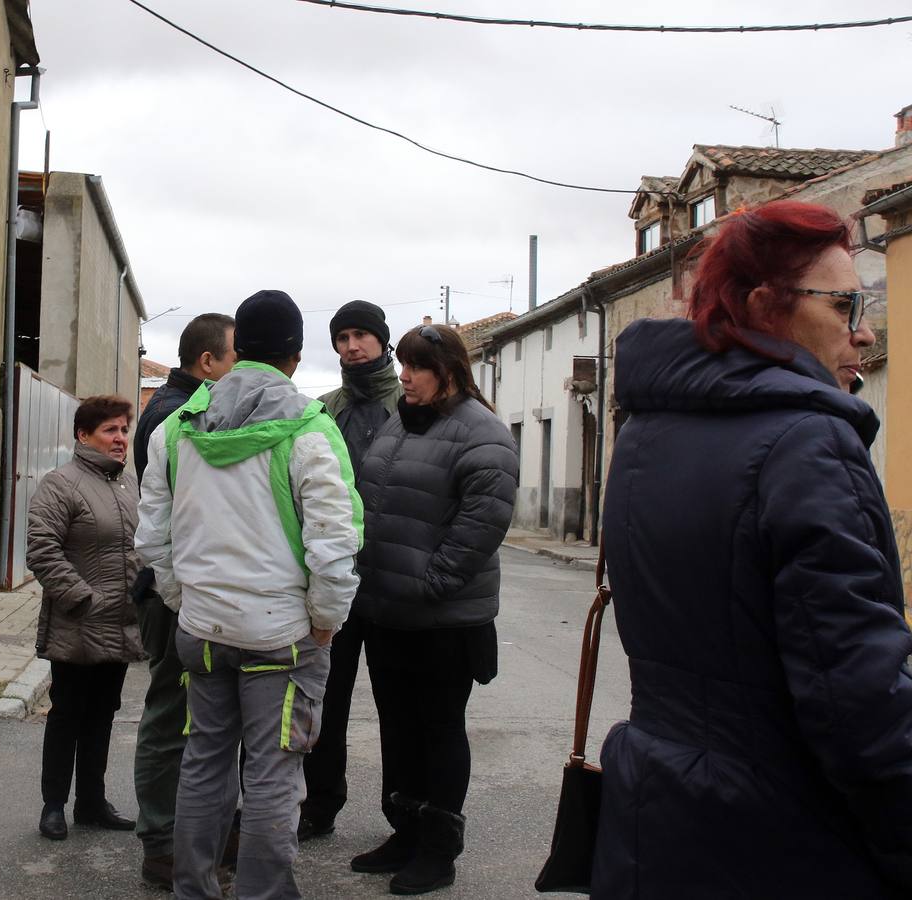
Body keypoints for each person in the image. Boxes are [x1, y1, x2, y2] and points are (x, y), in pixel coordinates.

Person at [592, 200, 912, 898]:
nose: (863, 329)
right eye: (845, 304)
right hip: (782, 840)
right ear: (766, 305)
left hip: (661, 819)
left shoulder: (647, 430)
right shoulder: (808, 442)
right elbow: (855, 699)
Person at [136, 289, 362, 900]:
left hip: (203, 631)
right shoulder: (313, 431)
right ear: (294, 355)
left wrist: (186, 602)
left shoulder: (178, 429)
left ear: (238, 351)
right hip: (282, 636)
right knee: (272, 773)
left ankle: (194, 890)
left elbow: (152, 540)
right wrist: (324, 623)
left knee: (205, 761)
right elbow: (335, 545)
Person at [349, 322, 517, 895]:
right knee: (398, 730)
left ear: (447, 371)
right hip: (388, 611)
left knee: (439, 730)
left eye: (416, 366)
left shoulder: (483, 433)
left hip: (445, 620)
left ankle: (439, 849)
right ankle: (405, 831)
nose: (404, 376)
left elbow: (482, 524)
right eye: (402, 364)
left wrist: (430, 584)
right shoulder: (402, 420)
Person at [131, 312, 236, 889]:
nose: (240, 369)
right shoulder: (179, 415)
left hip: (175, 585)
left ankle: (186, 833)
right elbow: (169, 523)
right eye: (234, 358)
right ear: (208, 363)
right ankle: (162, 841)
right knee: (171, 715)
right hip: (171, 591)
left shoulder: (176, 403)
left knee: (187, 715)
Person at [301, 299, 401, 842]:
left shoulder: (411, 405)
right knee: (324, 700)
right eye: (341, 338)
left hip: (390, 582)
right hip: (337, 578)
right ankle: (318, 805)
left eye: (361, 335)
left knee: (396, 706)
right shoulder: (324, 409)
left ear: (383, 341)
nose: (350, 346)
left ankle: (400, 815)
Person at [28, 395, 144, 842]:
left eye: (123, 430)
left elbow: (142, 545)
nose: (120, 439)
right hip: (78, 622)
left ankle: (92, 803)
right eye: (110, 430)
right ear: (83, 435)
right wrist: (83, 599)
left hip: (121, 621)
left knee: (103, 714)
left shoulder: (128, 485)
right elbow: (42, 550)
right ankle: (53, 805)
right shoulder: (61, 485)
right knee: (68, 714)